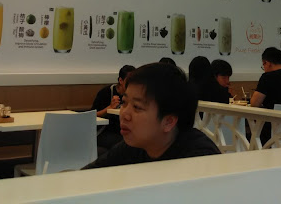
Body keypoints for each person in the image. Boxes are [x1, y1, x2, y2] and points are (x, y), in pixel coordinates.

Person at [84, 63, 220, 168]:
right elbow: (87, 177)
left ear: (168, 122)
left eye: (137, 107)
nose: (124, 114)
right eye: (124, 102)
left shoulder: (200, 159)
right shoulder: (134, 147)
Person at [91, 65, 136, 153]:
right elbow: (93, 115)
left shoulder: (134, 95)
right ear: (120, 80)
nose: (132, 84)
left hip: (125, 130)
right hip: (104, 131)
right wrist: (109, 108)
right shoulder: (106, 92)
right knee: (124, 143)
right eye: (129, 81)